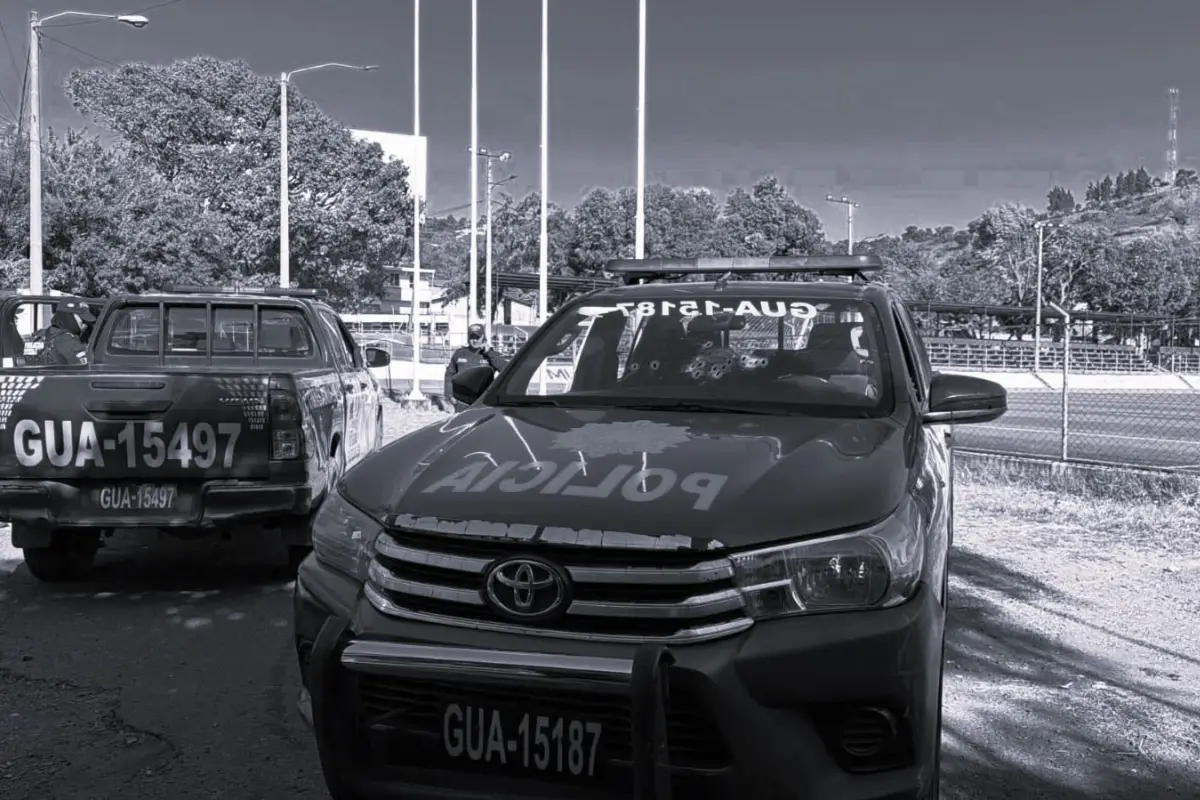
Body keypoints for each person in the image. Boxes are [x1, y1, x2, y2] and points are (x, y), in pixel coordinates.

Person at [443, 323, 508, 410]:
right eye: (472, 337)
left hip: (483, 401)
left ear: (483, 337)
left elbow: (506, 370)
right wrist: (450, 396)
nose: (474, 340)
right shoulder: (460, 353)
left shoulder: (491, 354)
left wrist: (489, 353)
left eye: (477, 337)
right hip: (462, 402)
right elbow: (449, 376)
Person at [41, 299, 95, 365]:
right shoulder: (68, 341)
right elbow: (85, 368)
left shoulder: (46, 333)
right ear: (69, 317)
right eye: (82, 319)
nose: (85, 324)